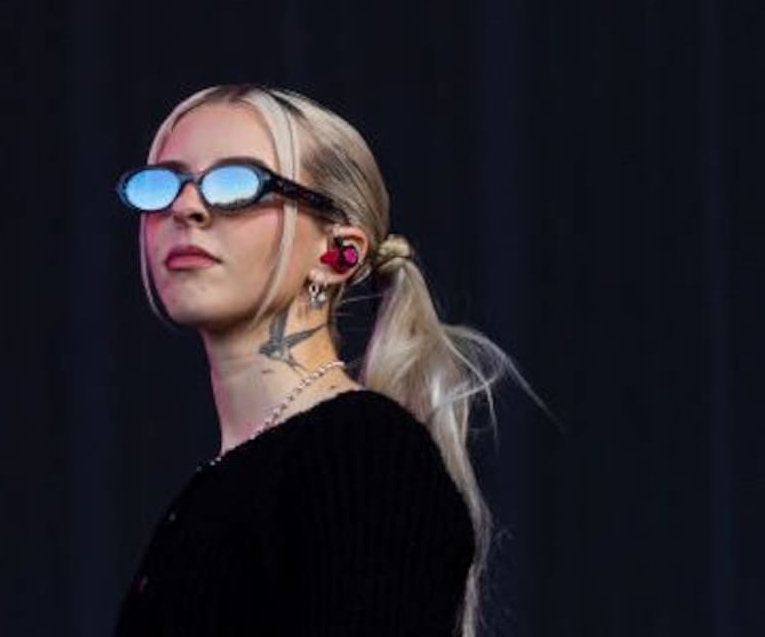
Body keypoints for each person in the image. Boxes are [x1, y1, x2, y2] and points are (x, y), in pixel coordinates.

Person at [112, 84, 523, 637]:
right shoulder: (216, 488)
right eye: (164, 183)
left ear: (337, 255)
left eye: (237, 184)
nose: (185, 207)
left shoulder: (363, 452)